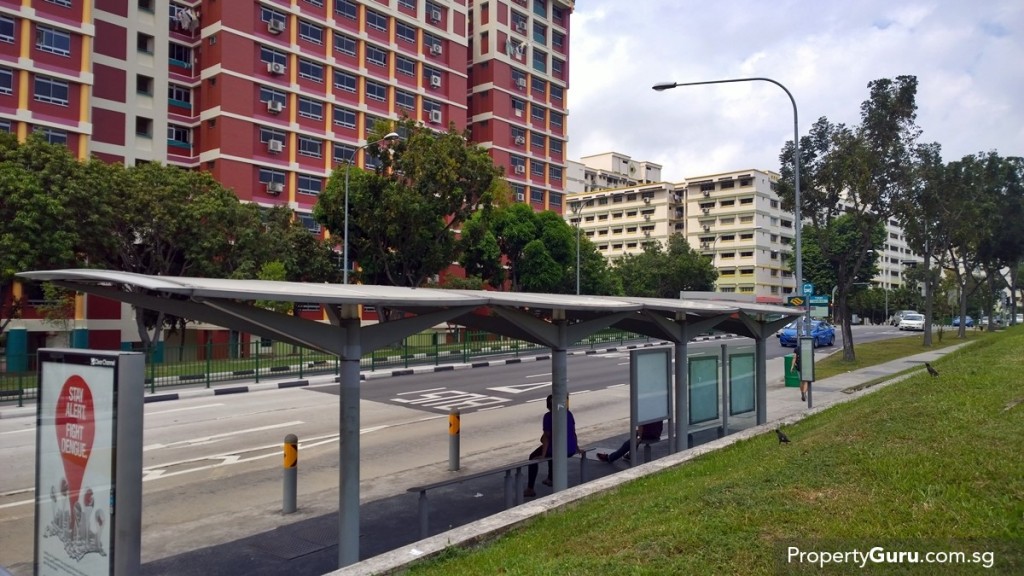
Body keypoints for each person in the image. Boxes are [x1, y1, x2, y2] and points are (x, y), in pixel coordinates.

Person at [524, 394, 578, 498]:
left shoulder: (548, 416)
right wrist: (577, 448)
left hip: (560, 450)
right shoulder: (569, 414)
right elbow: (573, 432)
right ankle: (550, 478)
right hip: (571, 449)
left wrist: (543, 455)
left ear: (548, 405)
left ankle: (530, 488)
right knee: (552, 451)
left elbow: (546, 438)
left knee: (533, 457)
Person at [597, 420, 663, 464]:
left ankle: (610, 458)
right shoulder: (657, 408)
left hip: (648, 434)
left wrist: (639, 437)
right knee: (635, 435)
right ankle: (630, 455)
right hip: (657, 433)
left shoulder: (644, 410)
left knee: (632, 440)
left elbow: (641, 425)